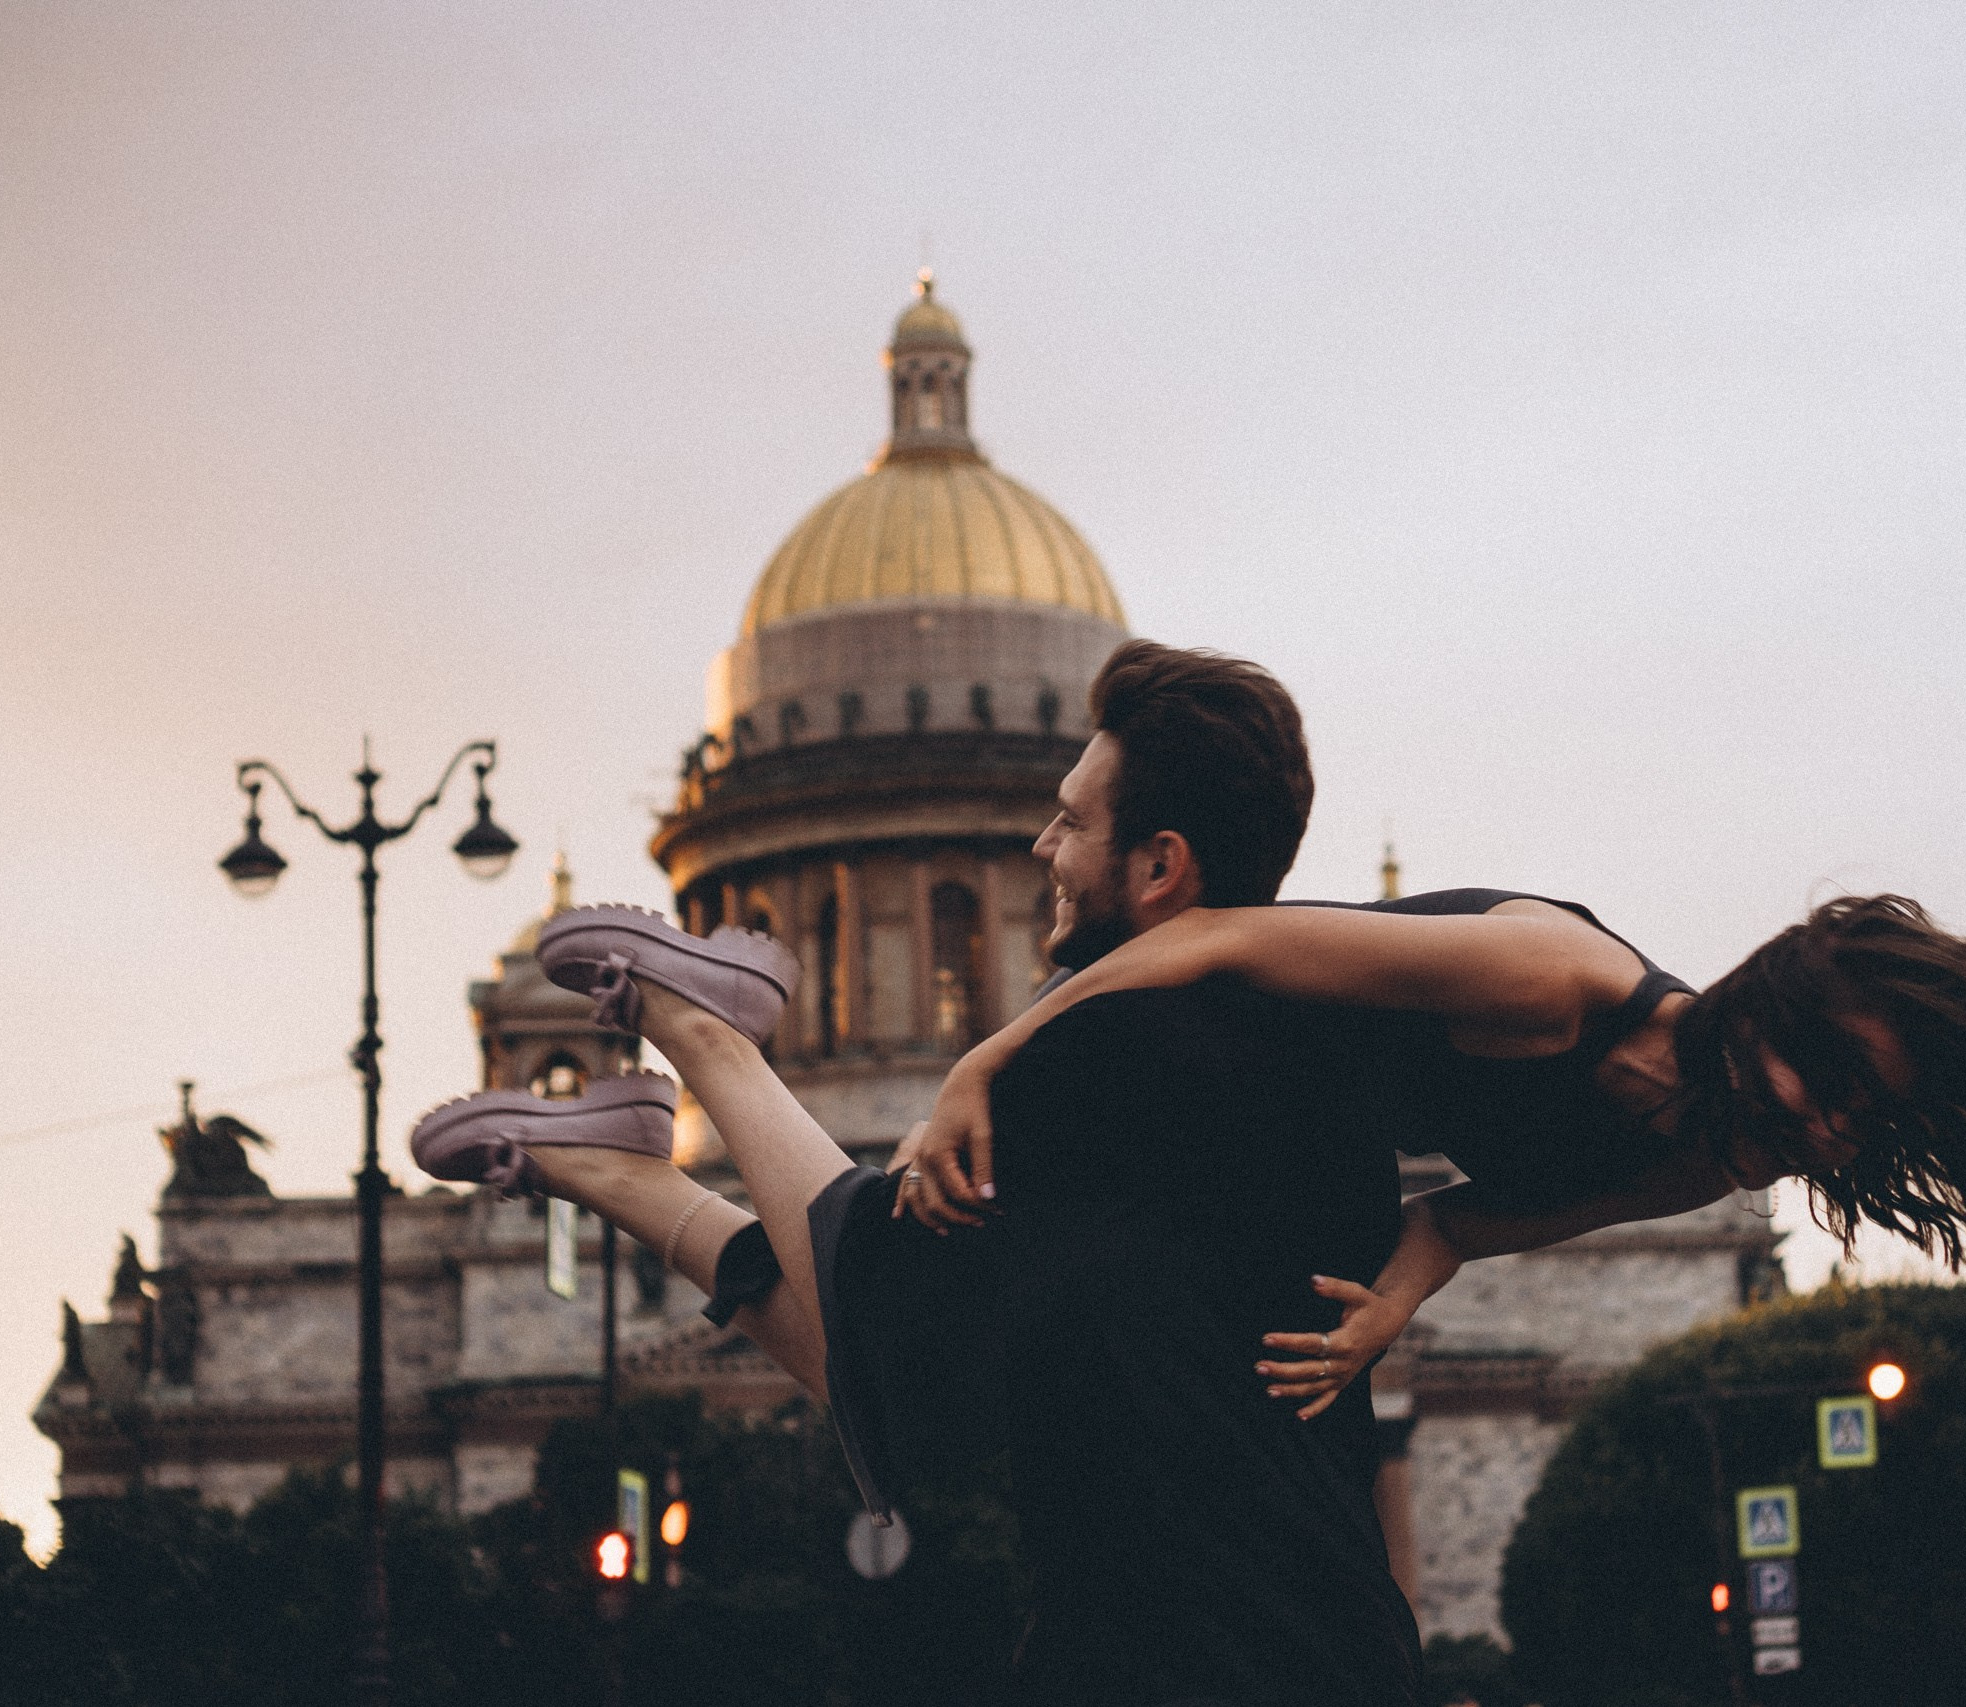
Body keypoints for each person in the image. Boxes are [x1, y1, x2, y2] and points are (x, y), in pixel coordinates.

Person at [412, 641, 1428, 1707]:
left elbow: (886, 1323)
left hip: (1207, 1658)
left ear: (1160, 864)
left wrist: (995, 1058)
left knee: (887, 1316)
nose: (1044, 844)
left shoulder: (1107, 1058)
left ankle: (704, 1041)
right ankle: (630, 1169)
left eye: (1074, 822)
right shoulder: (1313, 1053)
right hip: (1288, 1642)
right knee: (921, 1372)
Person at [891, 879, 1966, 1419]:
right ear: (1776, 1004)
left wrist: (1379, 1322)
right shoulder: (1550, 978)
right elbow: (1218, 937)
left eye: (1866, 1113)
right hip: (1175, 1049)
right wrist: (985, 1063)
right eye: (1836, 1076)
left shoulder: (1719, 1154)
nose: (1830, 1125)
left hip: (1263, 1148)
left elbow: (1463, 1221)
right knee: (910, 1288)